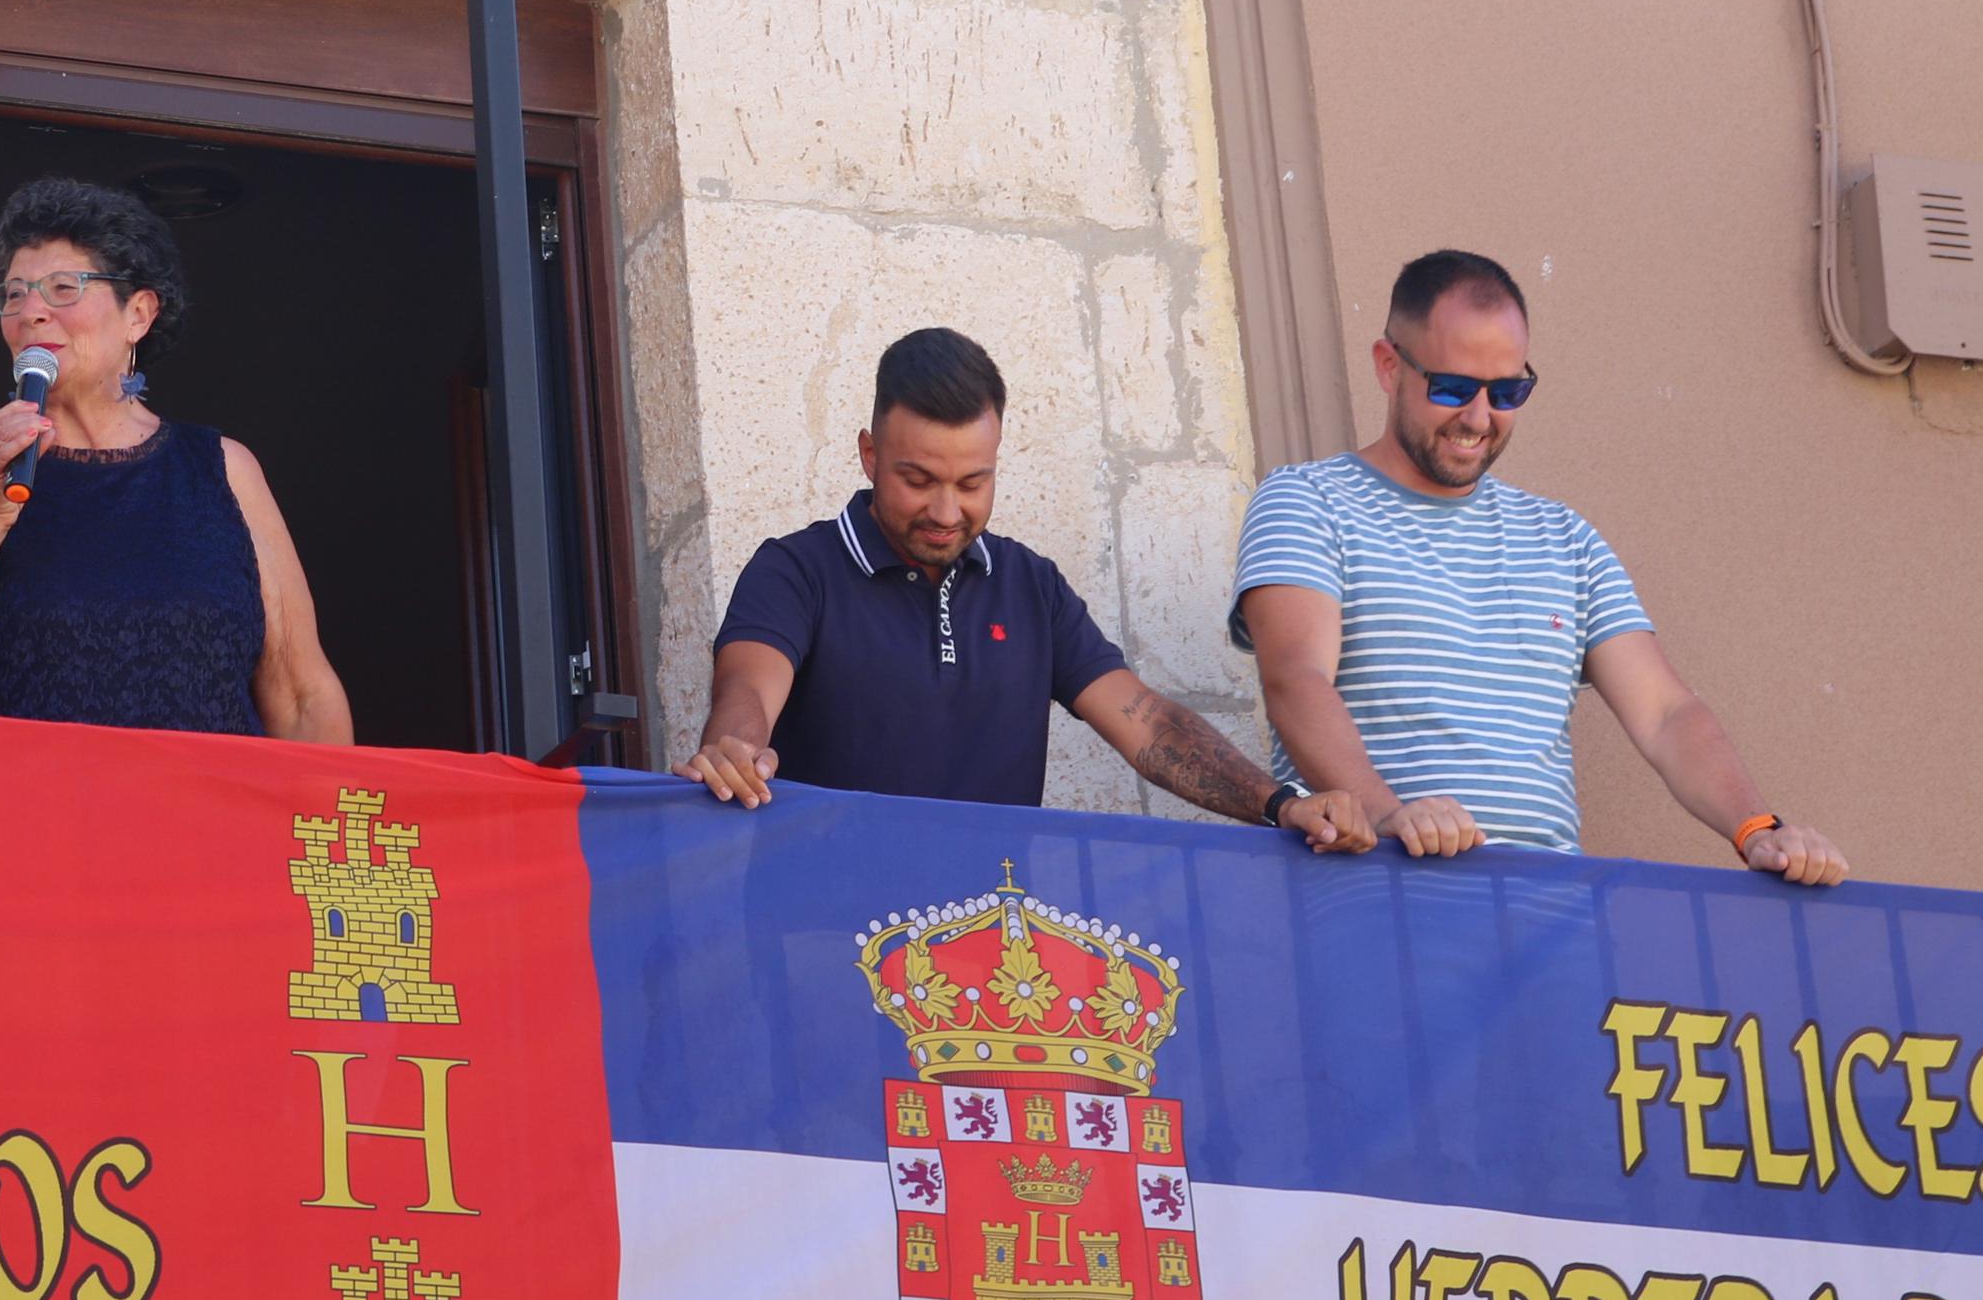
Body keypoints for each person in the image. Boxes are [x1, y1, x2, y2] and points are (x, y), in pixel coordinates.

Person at [1232, 250, 1845, 884]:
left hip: (1550, 919)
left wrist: (1758, 831)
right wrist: (1390, 817)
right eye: (1451, 388)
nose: (1478, 418)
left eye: (1507, 392)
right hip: (1372, 894)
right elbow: (1296, 680)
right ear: (1389, 367)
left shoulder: (1565, 538)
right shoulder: (1307, 500)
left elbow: (1666, 714)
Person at [677, 327, 1364, 838]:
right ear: (868, 453)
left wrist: (1281, 804)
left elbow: (1148, 725)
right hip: (821, 937)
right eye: (917, 480)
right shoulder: (794, 569)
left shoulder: (1030, 585)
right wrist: (735, 747)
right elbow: (745, 691)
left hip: (989, 954)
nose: (946, 511)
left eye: (972, 482)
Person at [0, 177, 349, 740]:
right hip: (22, 821)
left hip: (204, 823)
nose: (31, 312)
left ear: (137, 314)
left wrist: (326, 819)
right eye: (14, 294)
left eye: (64, 287)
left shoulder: (221, 469)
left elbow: (303, 693)